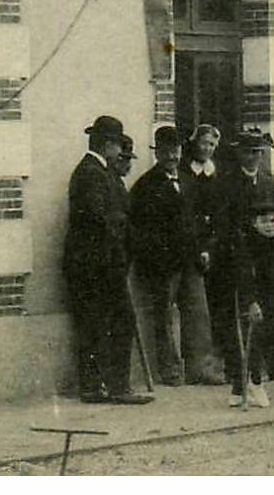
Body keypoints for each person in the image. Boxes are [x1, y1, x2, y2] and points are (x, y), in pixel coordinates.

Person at [62, 115, 152, 405]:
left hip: (103, 262)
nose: (120, 152)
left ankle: (102, 385)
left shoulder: (103, 172)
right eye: (116, 144)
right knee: (107, 321)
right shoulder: (90, 173)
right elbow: (99, 219)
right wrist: (122, 241)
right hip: (95, 264)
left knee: (100, 323)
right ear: (108, 144)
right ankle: (111, 386)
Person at [209, 125, 274, 400]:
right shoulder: (225, 183)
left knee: (263, 320)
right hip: (233, 262)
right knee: (235, 323)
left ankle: (253, 379)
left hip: (264, 262)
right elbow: (220, 223)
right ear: (239, 154)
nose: (252, 157)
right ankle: (242, 382)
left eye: (256, 152)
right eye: (247, 153)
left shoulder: (268, 181)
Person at [127, 125, 197, 385]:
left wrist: (201, 249)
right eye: (166, 151)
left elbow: (197, 219)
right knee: (164, 317)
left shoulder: (188, 181)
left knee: (195, 313)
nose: (172, 156)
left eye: (176, 150)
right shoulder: (145, 186)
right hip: (163, 264)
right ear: (157, 153)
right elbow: (139, 229)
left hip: (190, 261)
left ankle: (197, 367)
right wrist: (158, 255)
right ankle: (169, 369)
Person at [228, 168, 274, 408]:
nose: (269, 225)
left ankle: (240, 387)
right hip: (251, 296)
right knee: (252, 339)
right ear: (254, 223)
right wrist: (251, 302)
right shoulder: (247, 243)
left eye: (273, 220)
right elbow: (243, 275)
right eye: (263, 221)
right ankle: (252, 382)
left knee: (271, 337)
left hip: (273, 295)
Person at [176, 123, 226, 384]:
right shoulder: (183, 173)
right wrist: (201, 248)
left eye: (212, 146)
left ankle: (221, 361)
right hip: (193, 249)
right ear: (194, 143)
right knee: (197, 309)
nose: (207, 149)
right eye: (204, 143)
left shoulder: (215, 174)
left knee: (219, 305)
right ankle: (199, 365)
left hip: (214, 246)